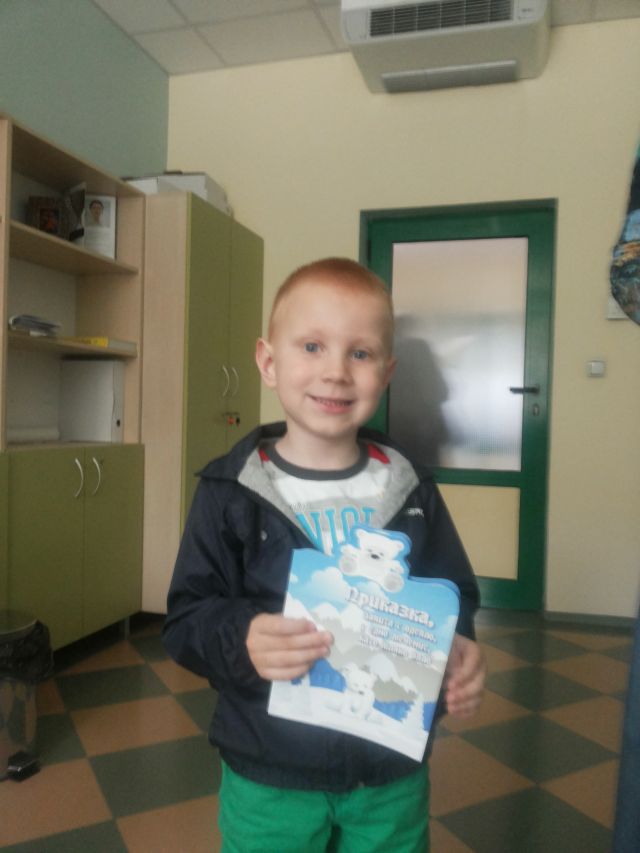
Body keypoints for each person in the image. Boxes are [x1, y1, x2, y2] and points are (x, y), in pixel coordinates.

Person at [163, 257, 486, 852]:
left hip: (389, 771)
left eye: (359, 353)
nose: (335, 372)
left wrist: (459, 640)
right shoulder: (230, 491)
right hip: (269, 774)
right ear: (268, 362)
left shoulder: (412, 488)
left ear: (385, 374)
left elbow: (454, 591)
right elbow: (186, 618)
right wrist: (243, 636)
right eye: (312, 346)